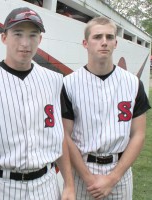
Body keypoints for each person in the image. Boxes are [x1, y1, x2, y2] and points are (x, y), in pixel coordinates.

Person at [0, 7, 75, 200]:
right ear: (4, 37)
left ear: (39, 40)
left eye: (33, 35)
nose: (25, 43)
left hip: (47, 184)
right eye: (17, 34)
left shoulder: (55, 81)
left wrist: (69, 184)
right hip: (1, 186)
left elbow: (60, 139)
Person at [62, 16, 151, 200]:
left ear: (116, 43)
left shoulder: (133, 83)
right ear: (85, 43)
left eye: (109, 37)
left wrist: (113, 178)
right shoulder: (68, 84)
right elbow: (65, 135)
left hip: (120, 171)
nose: (104, 42)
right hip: (82, 171)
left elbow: (139, 134)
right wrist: (88, 178)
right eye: (97, 37)